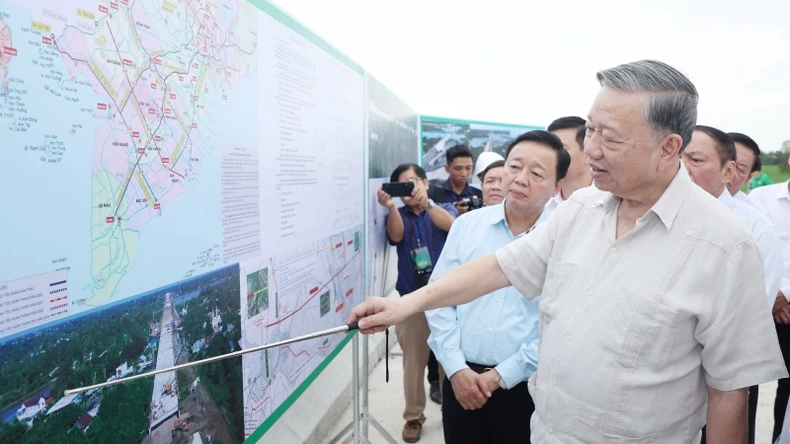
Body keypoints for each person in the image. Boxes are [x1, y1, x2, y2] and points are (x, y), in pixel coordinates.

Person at [350, 60, 788, 444]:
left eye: (609, 139)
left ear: (668, 147)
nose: (589, 150)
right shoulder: (580, 209)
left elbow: (729, 390)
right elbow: (499, 268)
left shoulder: (724, 246)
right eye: (590, 129)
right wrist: (403, 305)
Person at [426, 130, 569, 444]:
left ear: (557, 186)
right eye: (514, 167)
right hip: (460, 378)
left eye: (536, 173)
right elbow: (440, 296)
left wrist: (503, 375)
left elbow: (561, 321)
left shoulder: (565, 240)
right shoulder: (467, 226)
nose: (520, 179)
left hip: (526, 384)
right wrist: (454, 367)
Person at [681, 125, 784, 444]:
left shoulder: (754, 228)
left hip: (718, 376)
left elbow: (750, 316)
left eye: (695, 159)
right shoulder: (656, 213)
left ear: (729, 171)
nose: (683, 167)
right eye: (679, 155)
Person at [377, 163, 457, 442]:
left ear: (425, 181)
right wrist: (390, 208)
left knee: (450, 364)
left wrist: (428, 203)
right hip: (412, 304)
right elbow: (396, 236)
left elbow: (453, 225)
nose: (410, 190)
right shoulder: (399, 215)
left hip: (448, 301)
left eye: (413, 182)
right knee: (413, 365)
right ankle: (413, 418)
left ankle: (454, 416)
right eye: (403, 185)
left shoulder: (443, 207)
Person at [749, 164, 790, 442]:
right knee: (743, 385)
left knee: (786, 389)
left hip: (786, 308)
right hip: (756, 305)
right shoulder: (760, 197)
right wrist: (771, 295)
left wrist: (785, 295)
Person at [545, 116, 592, 213]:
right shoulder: (541, 201)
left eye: (562, 149)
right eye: (548, 148)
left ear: (588, 153)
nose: (551, 155)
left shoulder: (609, 200)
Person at [430, 145, 484, 215]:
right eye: (458, 169)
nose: (464, 174)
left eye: (468, 168)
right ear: (447, 168)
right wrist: (452, 211)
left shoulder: (479, 195)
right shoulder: (433, 193)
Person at [726, 132, 761, 201]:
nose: (728, 171)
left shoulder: (749, 211)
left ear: (747, 179)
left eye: (740, 169)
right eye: (724, 161)